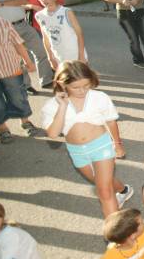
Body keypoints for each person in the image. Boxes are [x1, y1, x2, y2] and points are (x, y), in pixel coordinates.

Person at [42, 61, 133, 217]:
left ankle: (118, 236)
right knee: (102, 180)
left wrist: (117, 144)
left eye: (86, 85)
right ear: (62, 85)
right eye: (76, 87)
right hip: (77, 152)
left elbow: (111, 120)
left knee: (103, 191)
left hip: (101, 146)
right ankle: (124, 190)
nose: (82, 91)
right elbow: (53, 134)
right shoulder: (52, 105)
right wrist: (62, 106)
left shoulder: (99, 97)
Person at [0, 14, 42, 144]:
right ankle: (2, 128)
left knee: (18, 96)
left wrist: (28, 61)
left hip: (10, 68)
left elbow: (18, 43)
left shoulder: (2, 22)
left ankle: (25, 122)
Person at [34, 0, 87, 69]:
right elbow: (46, 38)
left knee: (82, 80)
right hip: (59, 57)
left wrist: (81, 55)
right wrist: (50, 57)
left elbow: (79, 34)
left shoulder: (66, 12)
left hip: (75, 54)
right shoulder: (39, 16)